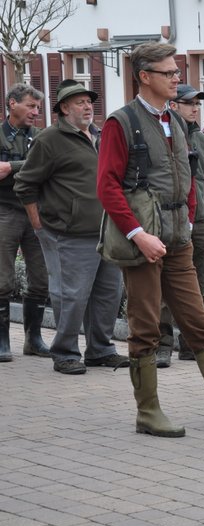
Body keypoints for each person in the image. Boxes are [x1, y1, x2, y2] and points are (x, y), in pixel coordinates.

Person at [97, 42, 204, 437]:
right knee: (145, 327)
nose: (177, 78)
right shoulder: (121, 123)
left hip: (178, 241)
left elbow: (190, 177)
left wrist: (190, 222)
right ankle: (148, 412)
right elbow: (107, 186)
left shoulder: (174, 121)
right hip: (143, 242)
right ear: (145, 77)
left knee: (199, 323)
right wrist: (138, 235)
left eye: (177, 71)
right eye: (169, 72)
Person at [14, 79, 127, 375]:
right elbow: (25, 184)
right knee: (71, 296)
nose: (88, 107)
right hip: (69, 234)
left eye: (89, 102)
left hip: (107, 231)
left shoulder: (101, 136)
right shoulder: (49, 140)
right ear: (64, 108)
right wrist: (38, 225)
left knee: (109, 294)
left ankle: (100, 350)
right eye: (80, 102)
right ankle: (64, 352)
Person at [155, 84, 204, 367]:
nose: (195, 108)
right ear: (174, 105)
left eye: (198, 104)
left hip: (200, 221)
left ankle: (191, 346)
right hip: (172, 220)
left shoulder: (201, 139)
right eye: (189, 103)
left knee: (197, 286)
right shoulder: (164, 134)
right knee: (165, 287)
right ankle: (163, 345)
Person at [0, 83, 50, 363]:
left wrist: (11, 167)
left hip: (35, 212)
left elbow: (44, 168)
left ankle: (34, 339)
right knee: (2, 280)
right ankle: (2, 341)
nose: (35, 112)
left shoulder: (41, 137)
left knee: (41, 278)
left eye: (38, 108)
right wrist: (26, 167)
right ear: (12, 104)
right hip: (4, 210)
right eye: (31, 106)